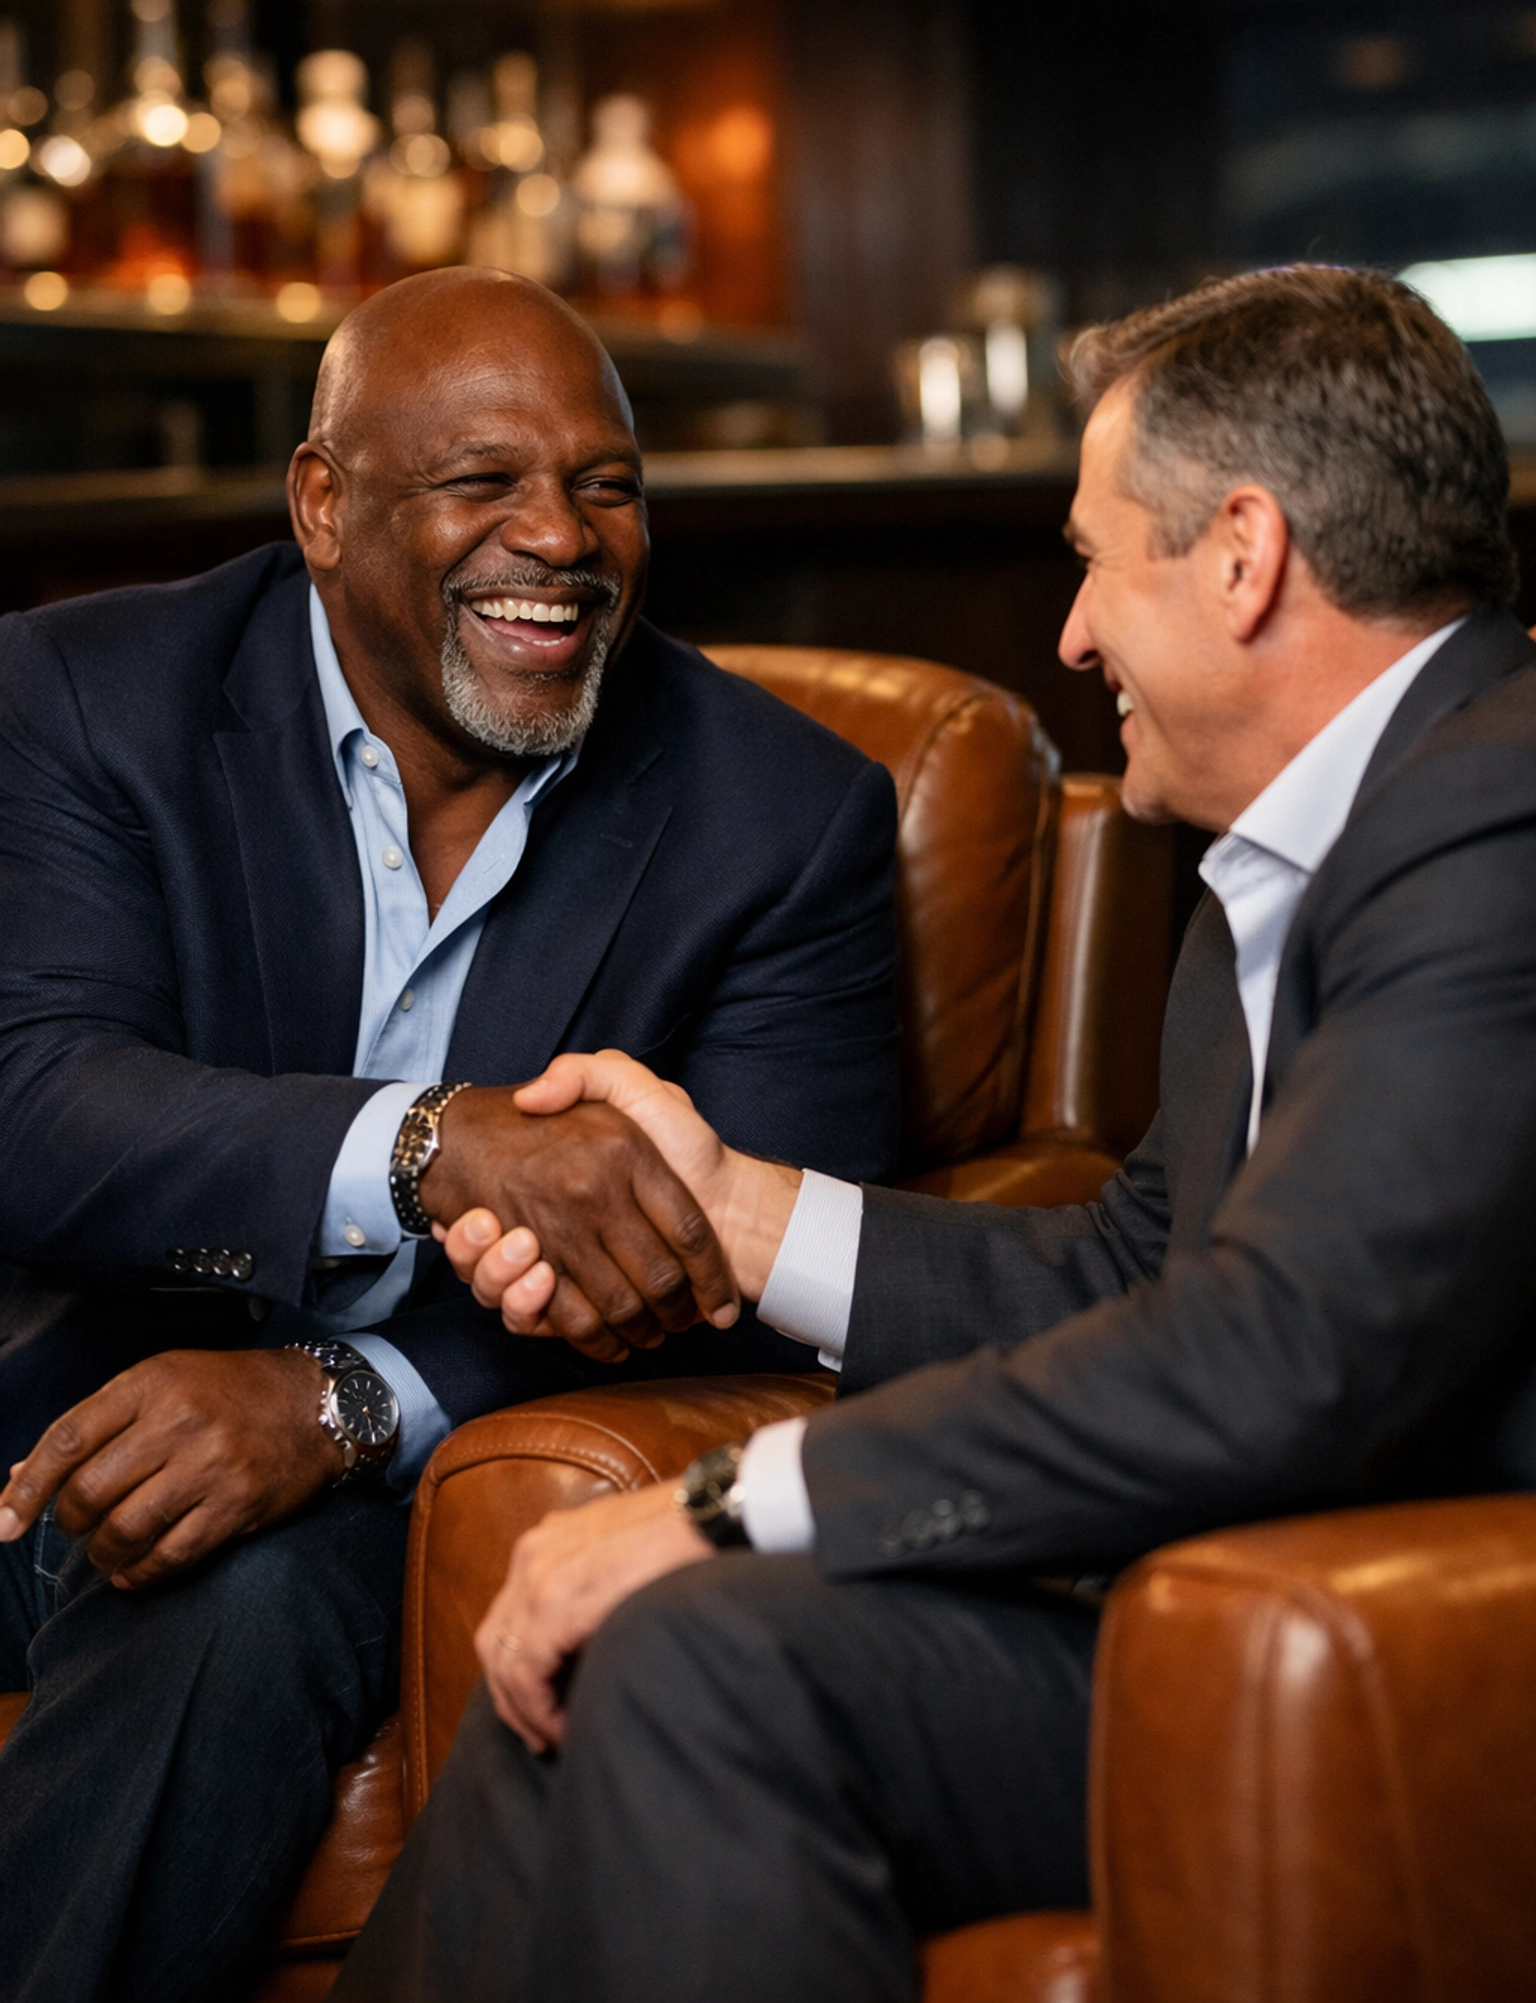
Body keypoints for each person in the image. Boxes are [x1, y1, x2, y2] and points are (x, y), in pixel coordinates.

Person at [334, 264, 1536, 2003]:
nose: (1067, 636)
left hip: (1412, 1640)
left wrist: (745, 1501)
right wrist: (742, 1213)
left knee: (699, 1647)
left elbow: (1290, 1342)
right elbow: (1141, 1264)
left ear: (1244, 554)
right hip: (1227, 1600)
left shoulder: (1495, 816)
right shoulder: (1281, 851)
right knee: (622, 1662)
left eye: (1092, 557)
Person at [0, 267, 900, 2003]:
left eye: (607, 484)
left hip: (403, 1492)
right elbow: (37, 1095)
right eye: (482, 484)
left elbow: (744, 1273)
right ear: (324, 507)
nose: (557, 538)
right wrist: (431, 1143)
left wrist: (339, 1406)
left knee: (224, 1604)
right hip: (47, 1411)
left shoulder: (784, 818)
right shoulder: (85, 696)